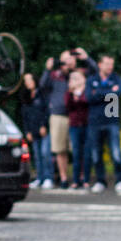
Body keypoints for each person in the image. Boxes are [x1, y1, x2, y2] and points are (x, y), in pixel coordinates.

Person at [84, 54, 121, 192]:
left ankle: (120, 180)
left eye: (111, 64)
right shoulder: (92, 80)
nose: (110, 67)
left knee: (115, 153)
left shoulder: (116, 79)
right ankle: (100, 180)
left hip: (111, 120)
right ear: (100, 64)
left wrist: (99, 93)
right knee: (96, 153)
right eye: (107, 64)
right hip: (95, 121)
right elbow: (90, 97)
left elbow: (117, 93)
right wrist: (108, 92)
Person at [41, 55, 73, 189]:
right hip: (58, 115)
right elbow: (43, 85)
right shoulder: (54, 75)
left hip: (74, 115)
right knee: (60, 150)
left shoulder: (76, 74)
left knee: (75, 149)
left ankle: (80, 178)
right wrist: (47, 70)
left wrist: (85, 58)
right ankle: (63, 177)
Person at [65, 69, 90, 190]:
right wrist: (71, 93)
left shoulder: (87, 90)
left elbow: (88, 101)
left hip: (86, 124)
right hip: (74, 125)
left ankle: (85, 179)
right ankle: (75, 179)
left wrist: (79, 97)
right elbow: (68, 106)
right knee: (76, 153)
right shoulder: (69, 92)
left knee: (86, 153)